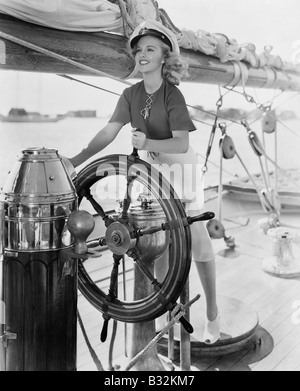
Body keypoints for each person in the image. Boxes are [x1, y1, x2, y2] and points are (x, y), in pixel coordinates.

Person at [69, 20, 220, 344]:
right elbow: (109, 132)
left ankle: (212, 314)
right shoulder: (129, 95)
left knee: (195, 239)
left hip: (180, 168)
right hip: (149, 173)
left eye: (149, 48)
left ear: (165, 56)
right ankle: (164, 311)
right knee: (157, 239)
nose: (142, 54)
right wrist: (76, 160)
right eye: (138, 50)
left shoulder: (172, 95)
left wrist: (148, 143)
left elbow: (180, 144)